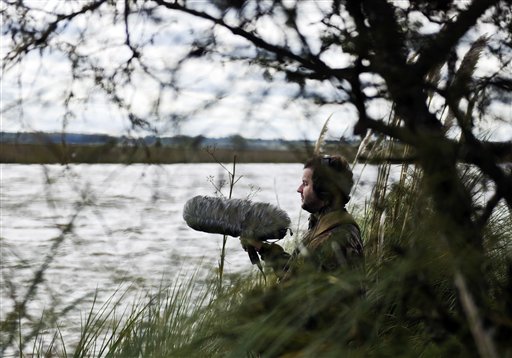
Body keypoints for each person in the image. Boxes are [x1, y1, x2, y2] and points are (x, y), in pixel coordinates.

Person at [250, 154, 364, 282]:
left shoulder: (334, 240)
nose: (299, 189)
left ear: (324, 190)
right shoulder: (324, 224)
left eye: (305, 184)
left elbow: (301, 289)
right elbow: (298, 273)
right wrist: (262, 248)